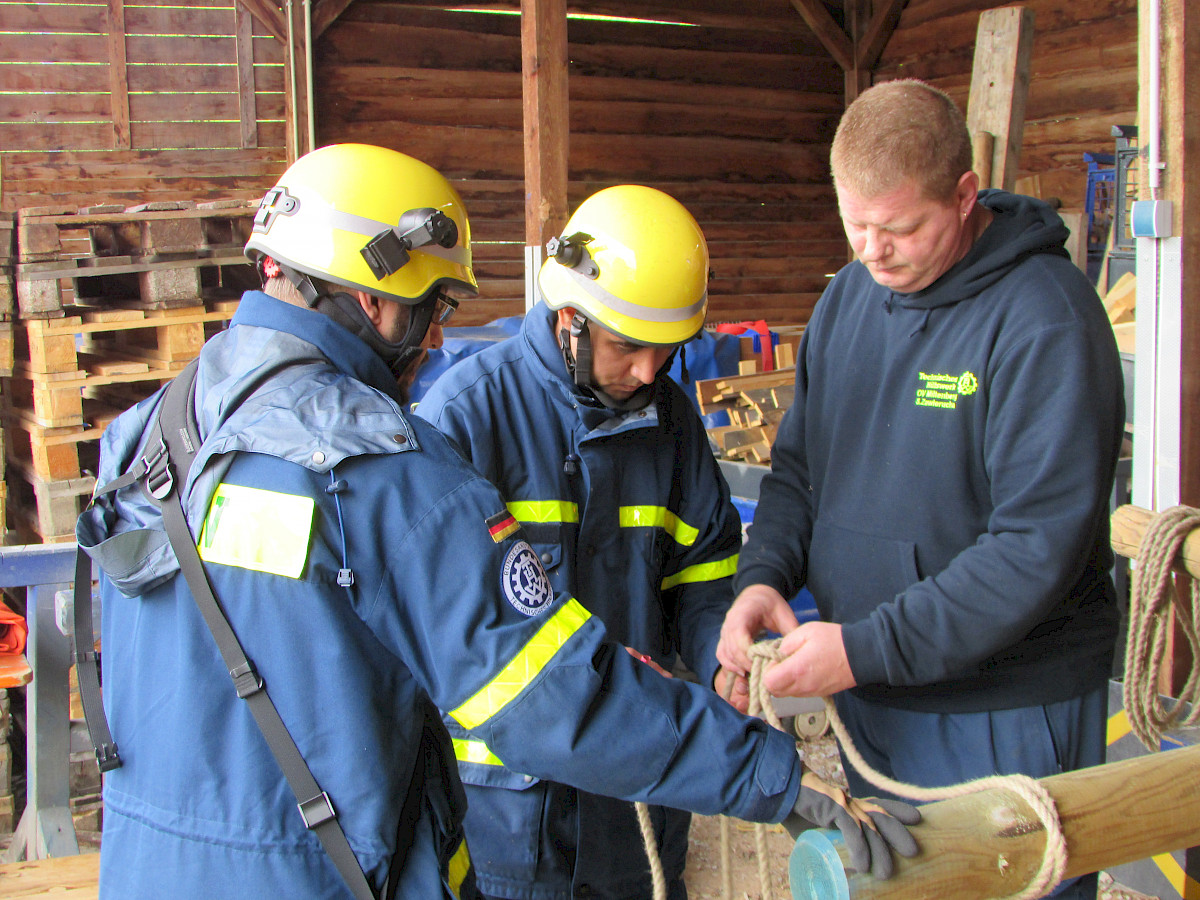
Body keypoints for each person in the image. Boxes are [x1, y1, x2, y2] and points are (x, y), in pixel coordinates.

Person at [77, 144, 918, 900]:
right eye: (433, 309)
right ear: (377, 301)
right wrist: (775, 779)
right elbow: (552, 696)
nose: (437, 340)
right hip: (347, 870)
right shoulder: (383, 468)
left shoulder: (144, 438)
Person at [716, 79, 1125, 900]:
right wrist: (763, 577)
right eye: (854, 225)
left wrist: (861, 649)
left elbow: (1031, 551)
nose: (872, 250)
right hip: (879, 693)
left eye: (899, 227)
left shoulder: (1046, 321)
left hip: (1003, 707)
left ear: (966, 195)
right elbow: (799, 471)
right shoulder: (848, 299)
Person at [417, 185, 763, 900]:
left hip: (638, 802)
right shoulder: (466, 416)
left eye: (664, 354)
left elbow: (704, 577)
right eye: (628, 347)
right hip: (503, 814)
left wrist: (719, 655)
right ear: (569, 320)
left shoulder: (672, 424)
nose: (647, 373)